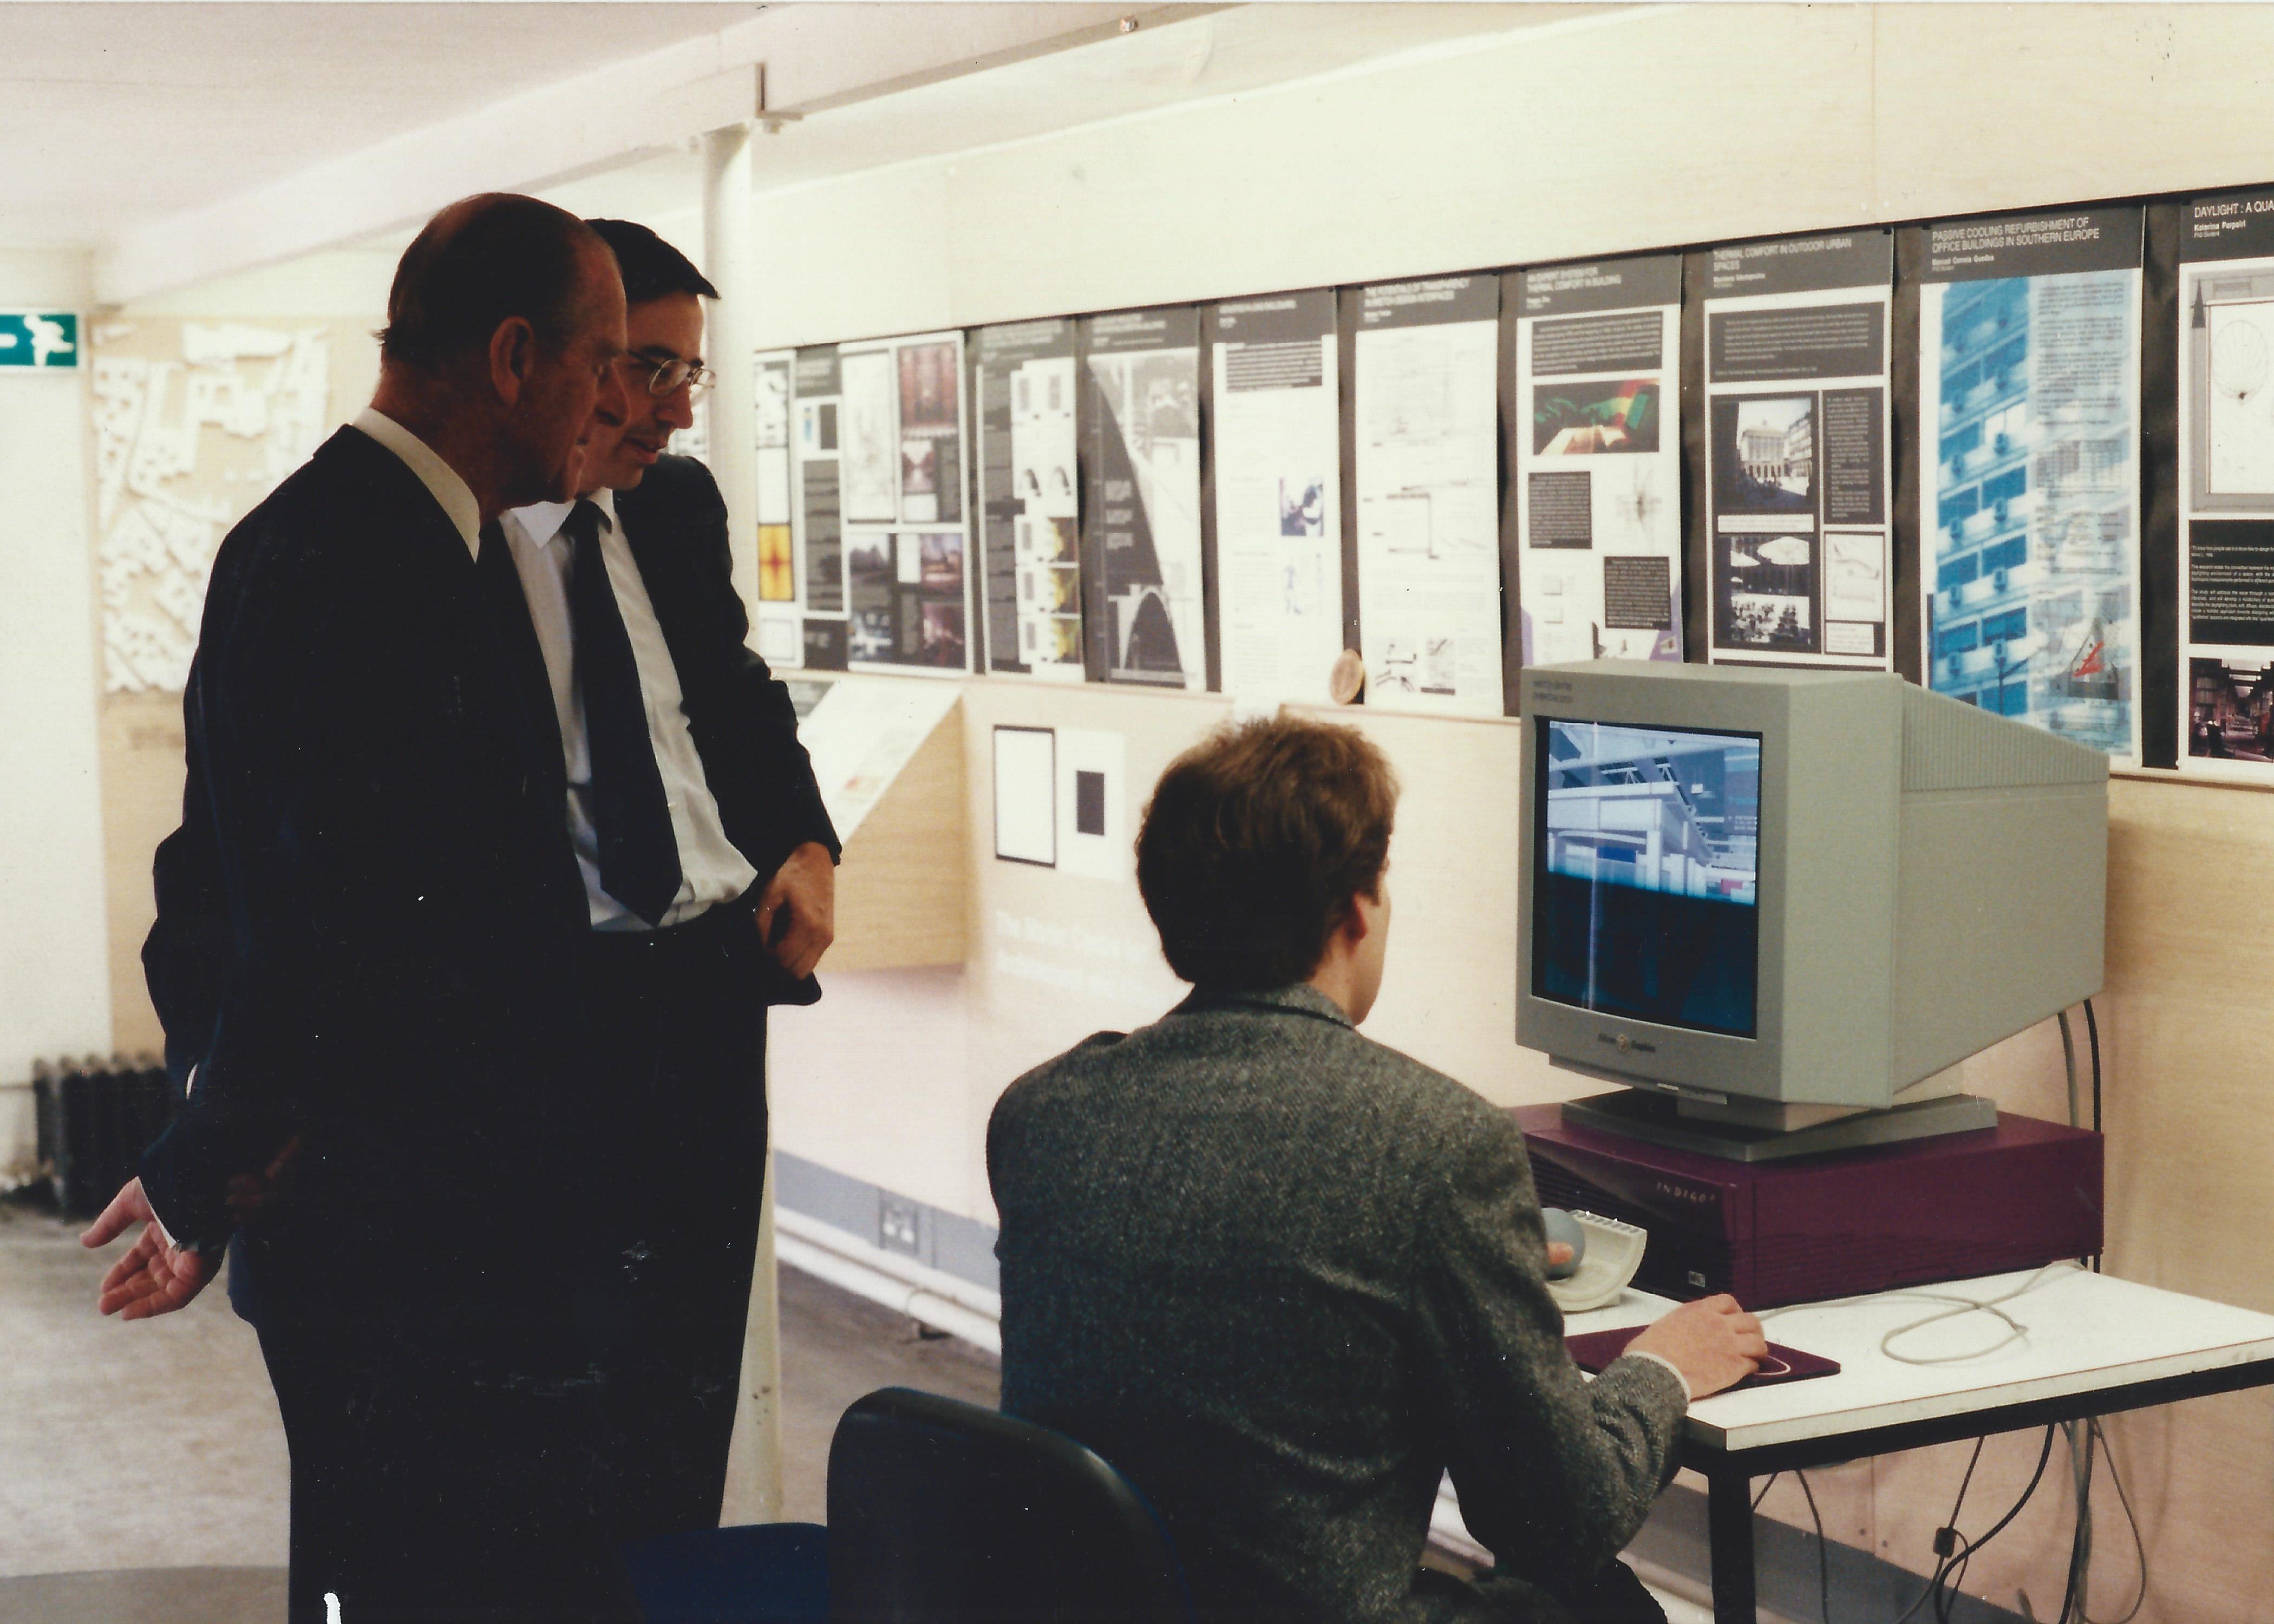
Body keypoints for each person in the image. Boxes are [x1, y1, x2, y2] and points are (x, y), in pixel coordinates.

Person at [84, 193, 650, 1623]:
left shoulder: (369, 539)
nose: (617, 404)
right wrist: (210, 1163)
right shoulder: (368, 564)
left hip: (409, 1239)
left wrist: (222, 1158)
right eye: (603, 363)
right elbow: (312, 928)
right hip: (428, 1267)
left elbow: (224, 891)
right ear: (514, 358)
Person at [988, 716, 1767, 1624]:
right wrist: (1659, 1372)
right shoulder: (1434, 1142)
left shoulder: (1041, 1112)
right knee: (1601, 1601)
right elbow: (1558, 1519)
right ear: (1357, 913)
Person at [494, 216, 839, 1543]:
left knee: (683, 1395)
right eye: (644, 371)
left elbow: (736, 700)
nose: (667, 413)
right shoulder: (457, 536)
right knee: (551, 1420)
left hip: (702, 990)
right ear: (557, 363)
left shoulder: (674, 507)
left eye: (689, 377)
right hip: (553, 1007)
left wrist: (805, 844)